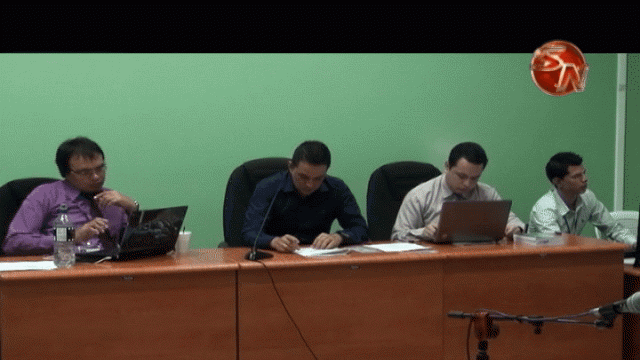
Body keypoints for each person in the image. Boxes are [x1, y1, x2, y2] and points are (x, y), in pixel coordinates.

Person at [2, 137, 140, 255]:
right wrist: (71, 236)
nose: (96, 176)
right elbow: (14, 242)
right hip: (65, 267)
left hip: (112, 268)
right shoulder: (45, 194)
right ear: (66, 173)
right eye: (85, 172)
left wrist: (133, 208)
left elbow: (133, 243)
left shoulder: (113, 199)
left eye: (100, 168)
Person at [242, 140, 368, 252]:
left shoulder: (336, 188)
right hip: (275, 257)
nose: (310, 184)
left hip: (318, 257)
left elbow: (361, 228)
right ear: (291, 167)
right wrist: (273, 241)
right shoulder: (268, 187)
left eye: (318, 178)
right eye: (303, 177)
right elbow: (249, 232)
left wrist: (339, 237)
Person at [391, 142, 525, 242]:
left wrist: (516, 228)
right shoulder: (420, 195)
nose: (467, 184)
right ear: (447, 166)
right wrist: (423, 233)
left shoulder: (487, 193)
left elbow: (515, 222)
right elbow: (397, 236)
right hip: (434, 263)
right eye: (461, 176)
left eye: (474, 178)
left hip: (477, 258)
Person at [528, 152, 636, 248]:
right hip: (542, 260)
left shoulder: (587, 197)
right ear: (557, 182)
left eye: (584, 173)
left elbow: (613, 228)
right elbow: (556, 246)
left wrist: (635, 244)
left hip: (570, 257)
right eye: (576, 176)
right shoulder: (545, 208)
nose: (584, 179)